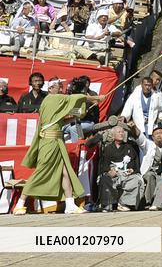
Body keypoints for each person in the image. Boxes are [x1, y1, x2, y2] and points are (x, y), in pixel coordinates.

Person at [16, 77, 105, 214]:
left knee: (65, 173)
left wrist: (76, 116)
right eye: (58, 85)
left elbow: (59, 122)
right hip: (50, 142)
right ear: (50, 88)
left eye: (61, 85)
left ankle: (69, 204)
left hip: (57, 141)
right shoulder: (52, 99)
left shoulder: (52, 103)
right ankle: (20, 204)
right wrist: (96, 98)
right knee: (41, 171)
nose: (61, 88)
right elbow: (72, 99)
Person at [93, 124, 143, 211]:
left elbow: (134, 162)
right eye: (119, 132)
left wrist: (132, 169)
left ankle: (124, 203)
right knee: (105, 178)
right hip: (113, 173)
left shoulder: (129, 147)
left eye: (122, 132)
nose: (121, 134)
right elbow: (104, 163)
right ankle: (107, 204)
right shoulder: (108, 148)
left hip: (125, 173)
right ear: (113, 135)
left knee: (136, 179)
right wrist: (108, 171)